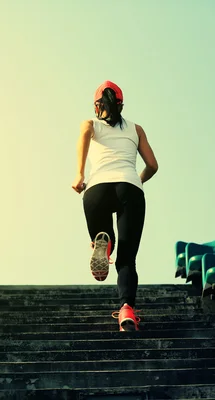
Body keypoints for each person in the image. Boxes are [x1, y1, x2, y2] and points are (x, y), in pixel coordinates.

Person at [71, 80, 158, 332]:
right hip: (130, 188)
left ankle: (104, 243)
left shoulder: (90, 124)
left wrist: (79, 174)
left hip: (97, 189)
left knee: (103, 234)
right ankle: (126, 311)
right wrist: (135, 182)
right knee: (127, 260)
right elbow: (153, 165)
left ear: (98, 105)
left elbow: (84, 138)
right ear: (121, 105)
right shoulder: (136, 129)